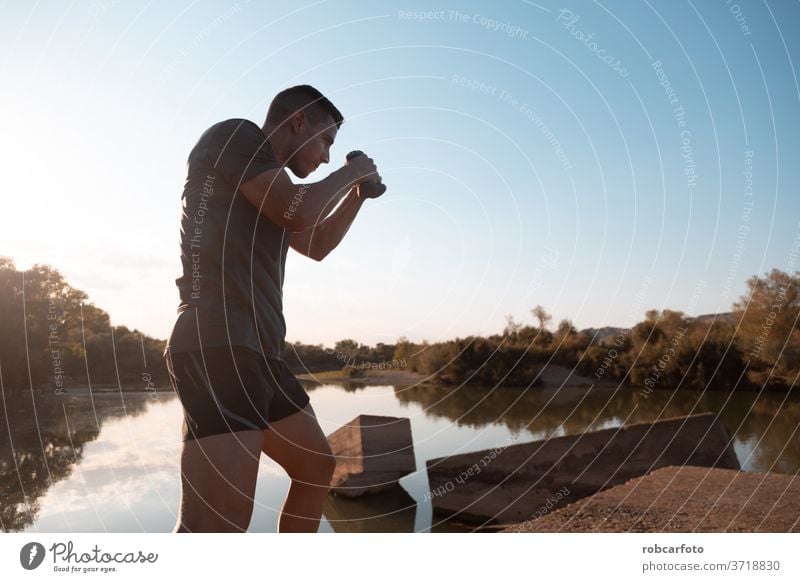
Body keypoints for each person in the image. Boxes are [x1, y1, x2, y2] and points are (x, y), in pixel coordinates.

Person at [162, 85, 383, 532]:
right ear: (299, 120)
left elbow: (315, 242)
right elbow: (297, 213)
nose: (325, 157)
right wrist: (351, 171)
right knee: (216, 529)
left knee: (316, 467)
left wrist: (357, 193)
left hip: (261, 353)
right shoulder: (235, 137)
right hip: (219, 344)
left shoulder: (271, 189)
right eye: (326, 142)